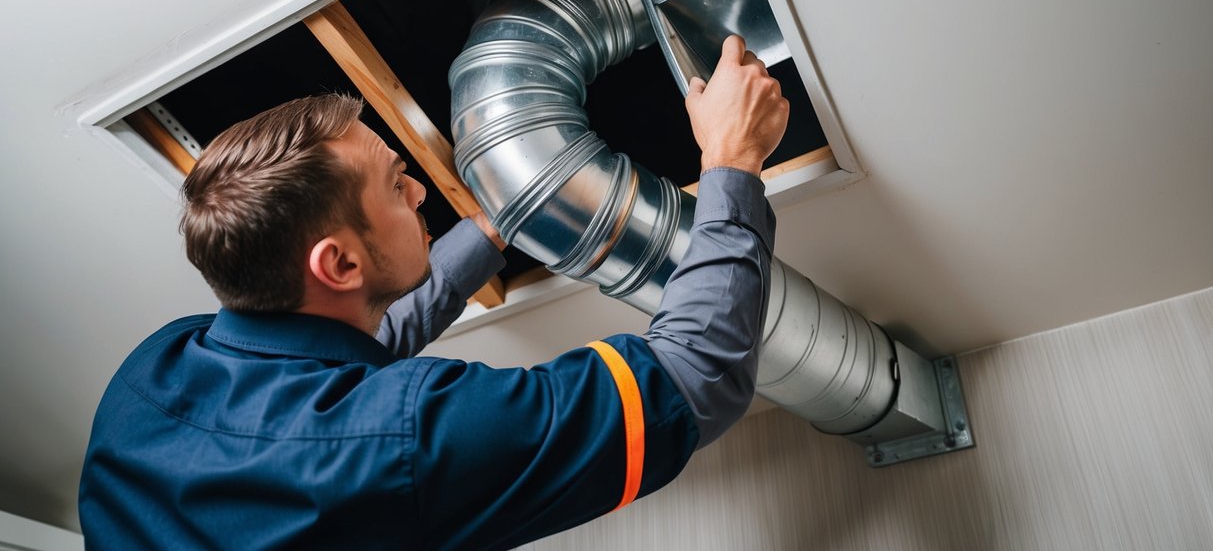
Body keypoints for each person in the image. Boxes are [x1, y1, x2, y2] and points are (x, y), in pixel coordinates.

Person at [79, 35, 789, 550]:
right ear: (339, 264)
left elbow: (345, 369)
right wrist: (732, 159)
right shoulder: (412, 440)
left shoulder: (154, 367)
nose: (420, 188)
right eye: (396, 185)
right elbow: (696, 378)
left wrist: (493, 224)